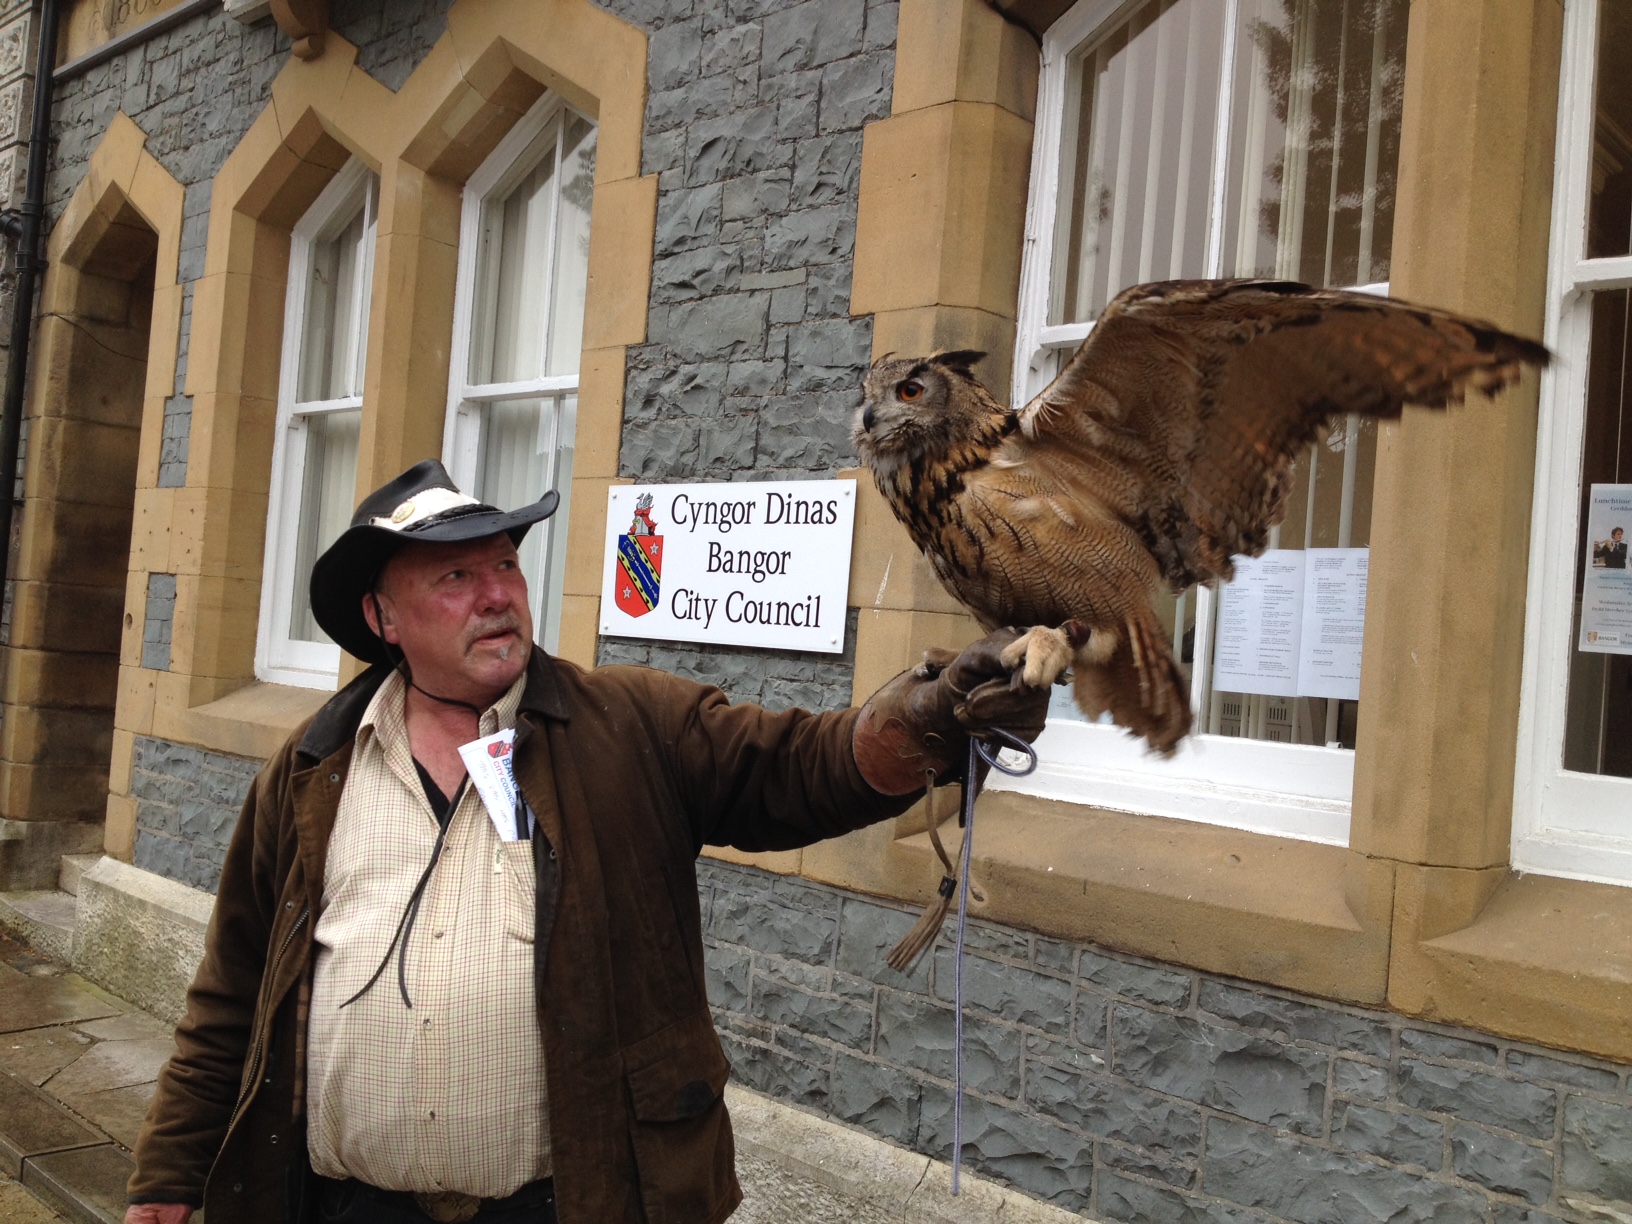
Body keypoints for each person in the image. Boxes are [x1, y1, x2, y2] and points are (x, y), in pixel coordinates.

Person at [124, 461, 1051, 1224]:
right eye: (455, 578)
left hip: (571, 1205)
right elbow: (235, 986)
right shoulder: (312, 766)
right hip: (343, 1208)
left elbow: (805, 767)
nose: (497, 597)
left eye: (505, 569)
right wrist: (169, 1173)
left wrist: (936, 712)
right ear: (383, 619)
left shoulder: (630, 725)